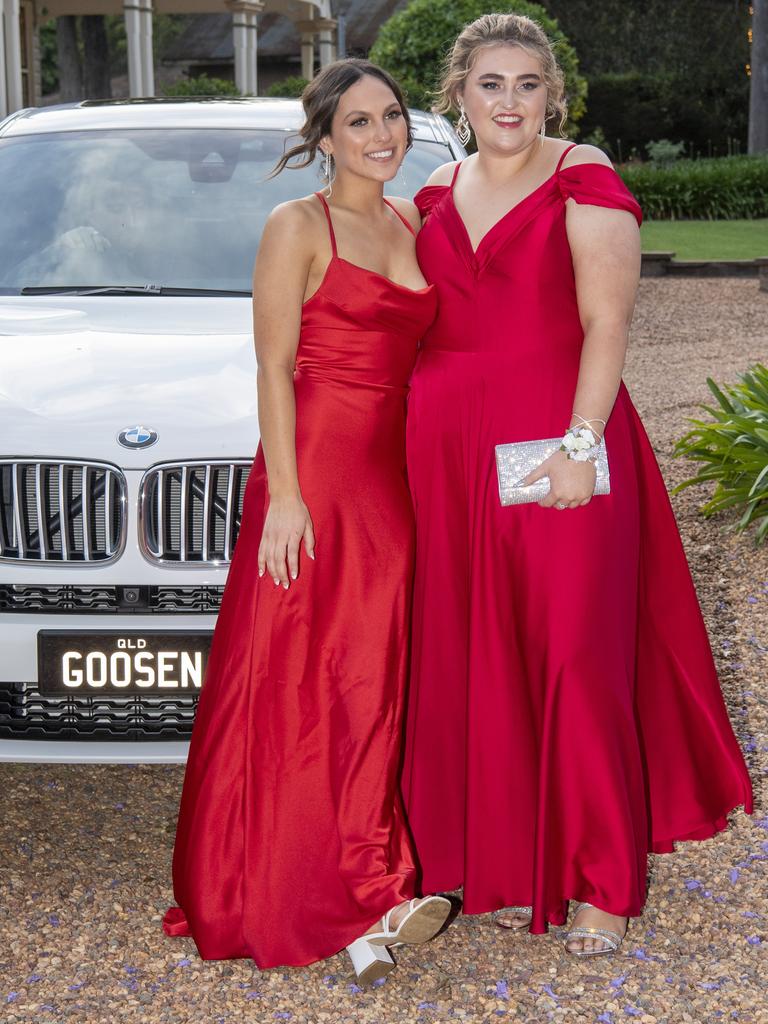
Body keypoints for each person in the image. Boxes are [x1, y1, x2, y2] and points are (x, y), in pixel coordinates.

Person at [402, 13, 753, 957]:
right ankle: (487, 860)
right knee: (468, 652)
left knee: (572, 654)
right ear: (458, 95)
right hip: (445, 454)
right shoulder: (434, 186)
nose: (508, 101)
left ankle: (602, 879)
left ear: (551, 94)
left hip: (559, 444)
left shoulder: (580, 174)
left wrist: (580, 445)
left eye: (525, 83)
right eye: (489, 84)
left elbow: (607, 324)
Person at [162, 59, 450, 983]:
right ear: (322, 138)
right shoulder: (297, 226)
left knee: (371, 677)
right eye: (358, 122)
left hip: (393, 479)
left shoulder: (413, 218)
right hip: (317, 473)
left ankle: (366, 876)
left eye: (393, 117)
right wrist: (284, 494)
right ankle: (321, 887)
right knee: (303, 675)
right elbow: (273, 367)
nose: (382, 135)